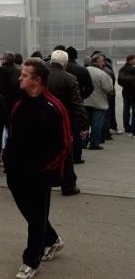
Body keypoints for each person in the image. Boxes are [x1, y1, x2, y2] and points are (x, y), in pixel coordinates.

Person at [3, 58, 70, 279]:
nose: (19, 78)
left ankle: (31, 261)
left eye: (24, 75)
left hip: (40, 173)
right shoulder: (18, 101)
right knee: (30, 213)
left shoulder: (53, 106)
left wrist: (46, 168)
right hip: (15, 170)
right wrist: (8, 158)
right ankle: (52, 239)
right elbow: (12, 131)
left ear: (37, 80)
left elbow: (65, 143)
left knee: (37, 216)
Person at [46, 50, 87, 196]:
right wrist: (83, 125)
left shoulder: (41, 75)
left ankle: (41, 182)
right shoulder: (70, 79)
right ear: (65, 63)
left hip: (42, 118)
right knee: (65, 151)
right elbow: (77, 103)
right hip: (63, 120)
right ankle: (68, 185)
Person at [84, 54, 113, 150]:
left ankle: (83, 143)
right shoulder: (101, 74)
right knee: (96, 124)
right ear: (97, 62)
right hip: (99, 103)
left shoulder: (85, 70)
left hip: (85, 101)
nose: (103, 63)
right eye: (102, 61)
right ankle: (94, 143)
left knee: (85, 124)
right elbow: (108, 88)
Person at [117, 54, 135, 134]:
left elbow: (119, 81)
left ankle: (126, 126)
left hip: (125, 91)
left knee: (126, 110)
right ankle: (133, 127)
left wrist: (125, 86)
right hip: (133, 92)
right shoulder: (133, 70)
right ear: (130, 60)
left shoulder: (121, 69)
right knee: (133, 110)